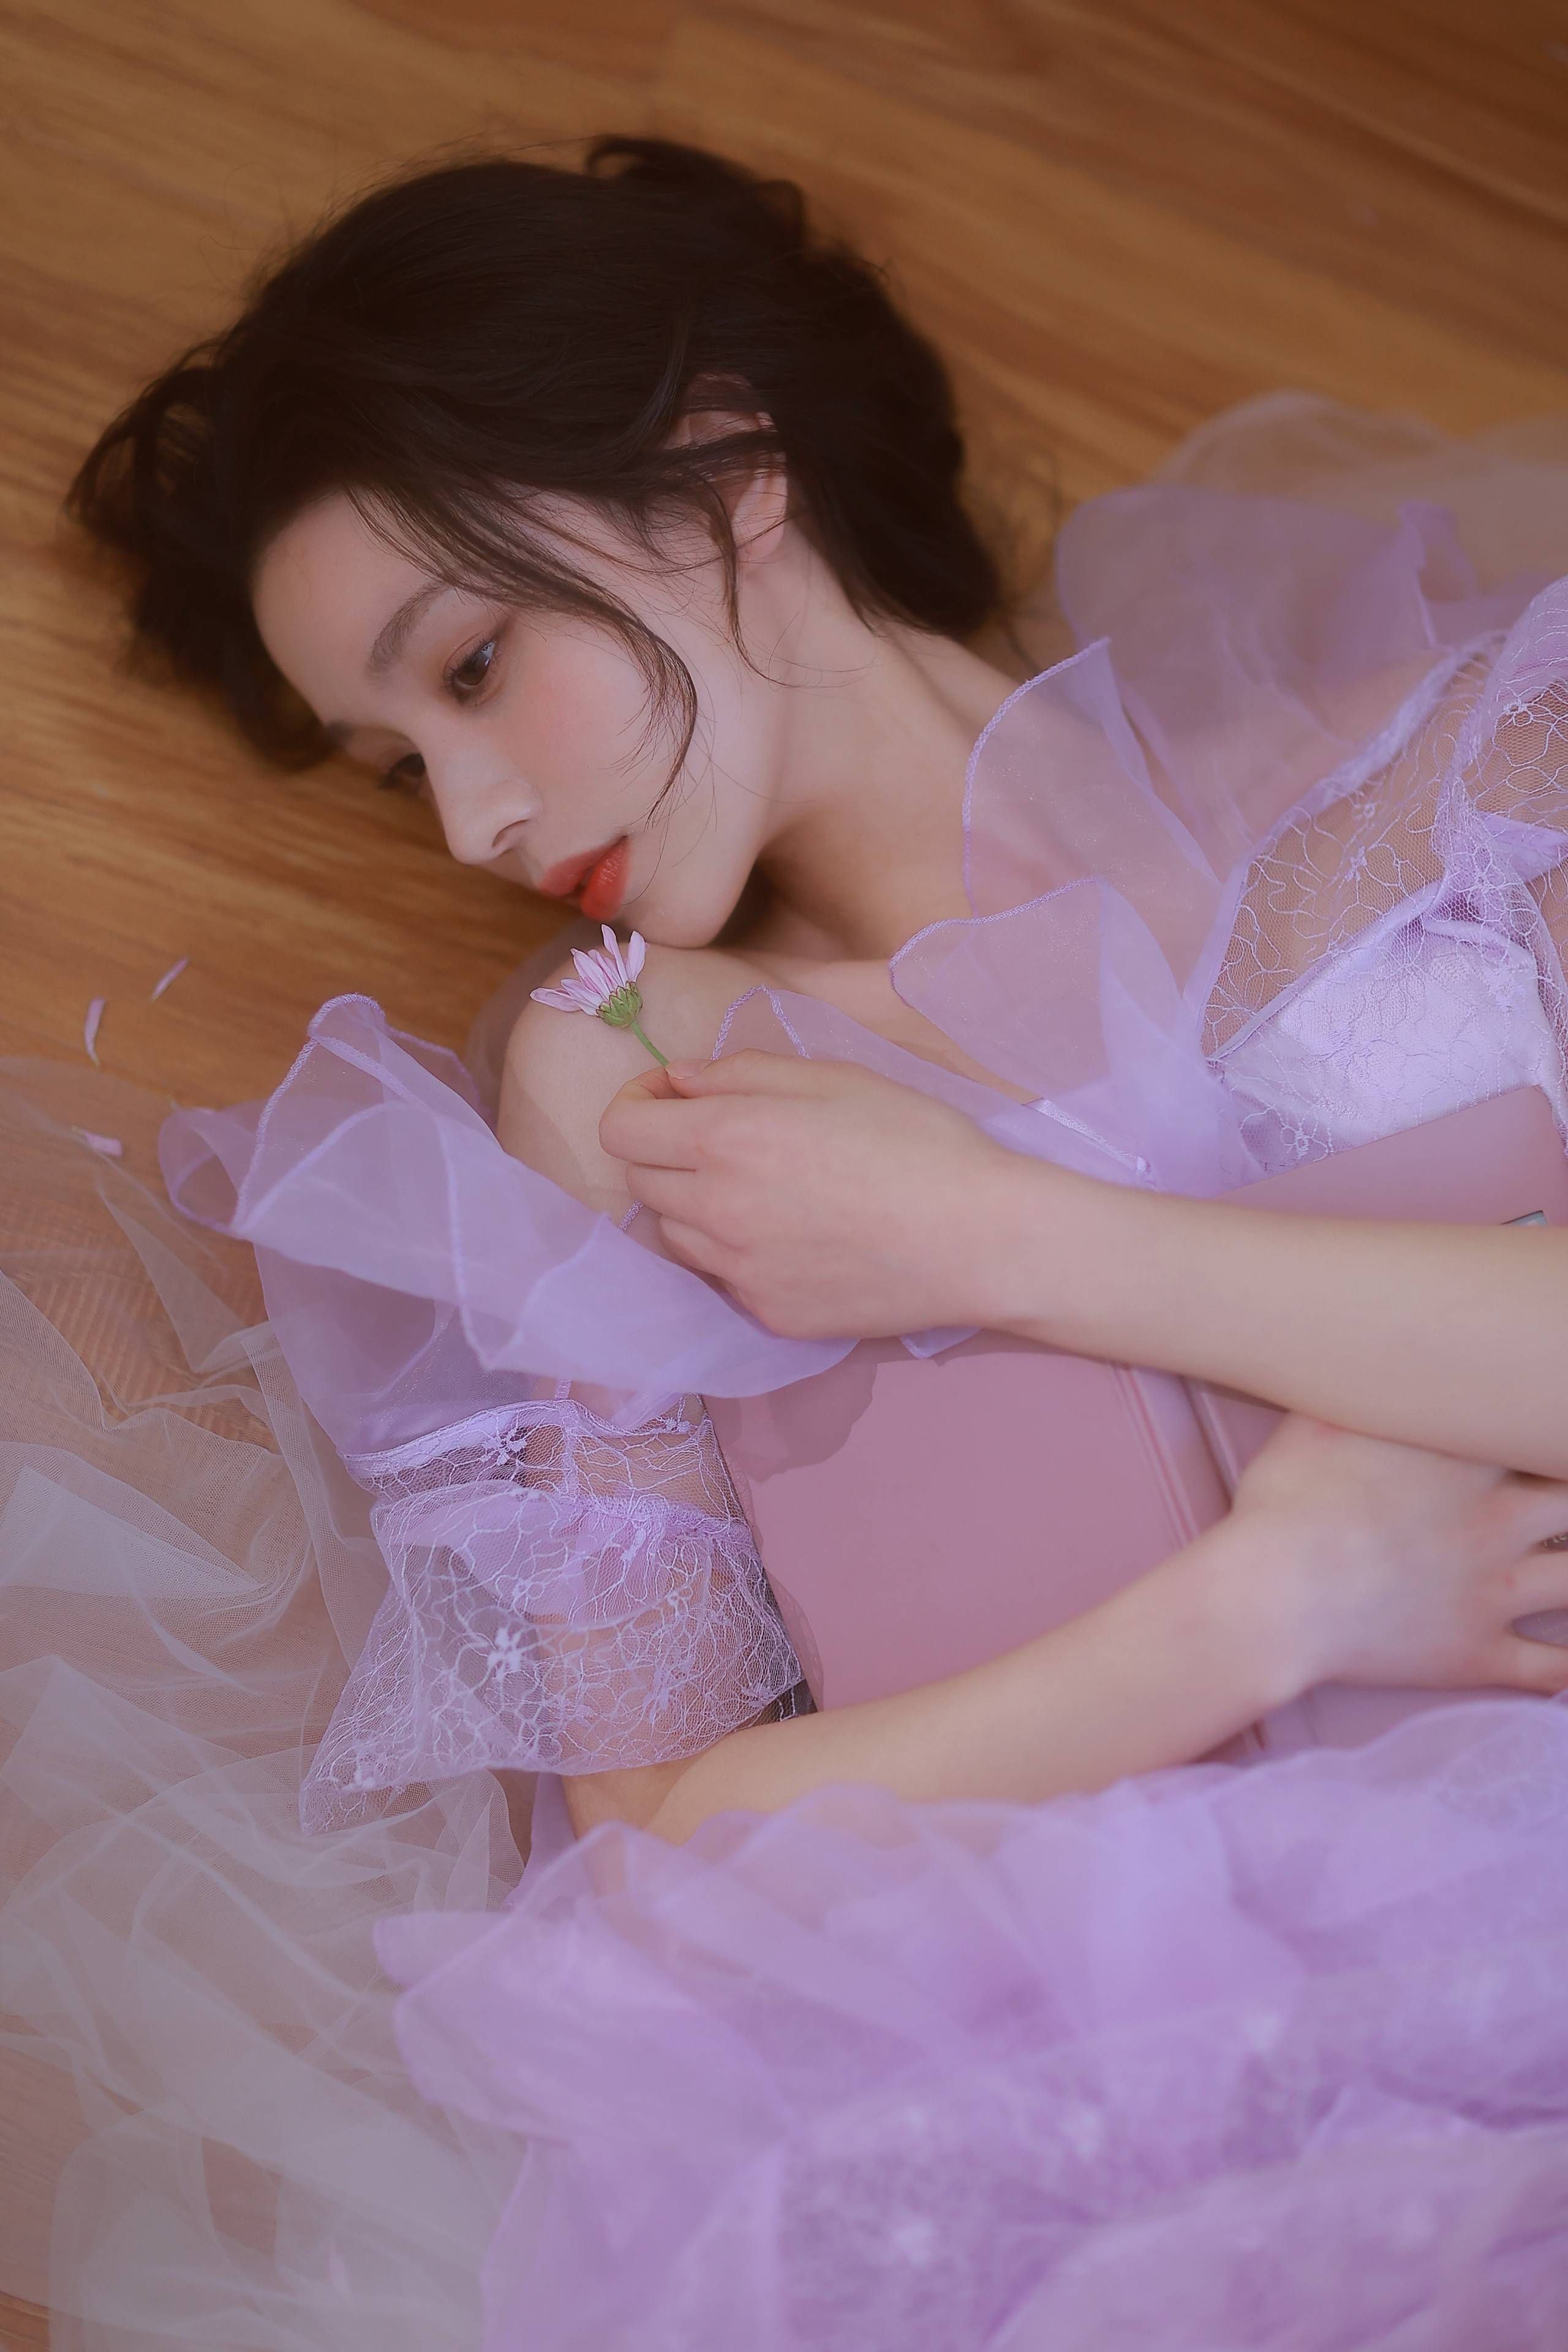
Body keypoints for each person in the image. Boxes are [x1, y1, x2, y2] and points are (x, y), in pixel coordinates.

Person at [7, 133, 1566, 2345]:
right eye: (398, 768)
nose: (474, 823)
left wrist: (1010, 1239)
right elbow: (656, 1849)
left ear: (726, 467)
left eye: (475, 667)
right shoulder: (640, 1088)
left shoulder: (1461, 768)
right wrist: (1267, 1609)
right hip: (1124, 2088)